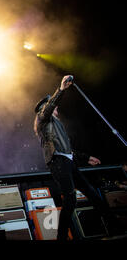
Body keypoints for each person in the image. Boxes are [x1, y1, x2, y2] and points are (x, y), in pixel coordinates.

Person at [33, 75, 118, 240]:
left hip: (67, 161)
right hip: (58, 162)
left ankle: (114, 226)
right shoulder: (44, 121)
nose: (56, 107)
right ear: (44, 108)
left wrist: (86, 158)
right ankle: (62, 236)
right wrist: (61, 90)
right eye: (52, 105)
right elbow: (48, 109)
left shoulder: (57, 124)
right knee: (70, 199)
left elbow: (68, 149)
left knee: (92, 193)